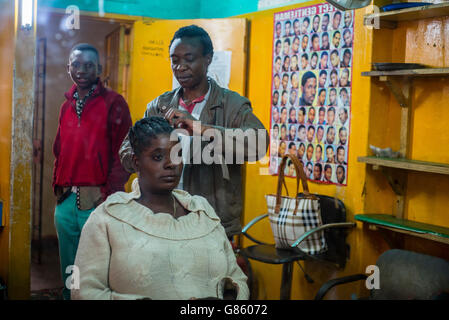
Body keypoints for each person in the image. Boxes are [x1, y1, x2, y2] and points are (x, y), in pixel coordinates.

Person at [72, 117, 249, 300]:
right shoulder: (108, 218)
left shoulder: (201, 211)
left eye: (176, 155)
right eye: (157, 157)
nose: (171, 164)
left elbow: (237, 278)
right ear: (136, 162)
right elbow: (82, 292)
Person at [119, 25, 268, 238]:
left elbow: (258, 145)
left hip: (211, 221)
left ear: (208, 59)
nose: (180, 67)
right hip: (161, 215)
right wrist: (146, 159)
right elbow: (127, 150)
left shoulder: (231, 104)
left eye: (189, 59)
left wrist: (201, 128)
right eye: (175, 60)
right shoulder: (159, 106)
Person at [53, 43, 132, 300]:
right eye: (76, 64)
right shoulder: (66, 106)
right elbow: (59, 149)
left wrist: (108, 195)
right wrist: (58, 185)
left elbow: (125, 154)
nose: (82, 70)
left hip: (98, 200)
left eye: (89, 65)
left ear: (99, 69)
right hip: (66, 202)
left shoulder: (114, 103)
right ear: (68, 68)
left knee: (97, 270)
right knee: (70, 269)